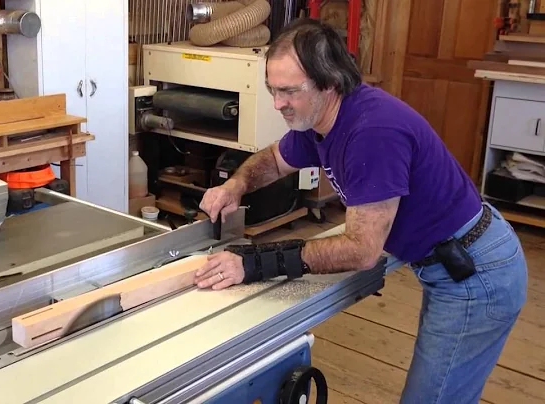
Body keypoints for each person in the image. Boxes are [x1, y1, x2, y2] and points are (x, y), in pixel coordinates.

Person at [194, 17, 528, 404]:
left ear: (329, 82)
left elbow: (362, 250)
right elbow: (275, 159)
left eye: (289, 91)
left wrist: (251, 262)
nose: (277, 104)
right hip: (449, 259)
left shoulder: (372, 133)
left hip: (476, 274)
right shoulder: (318, 119)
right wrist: (236, 184)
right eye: (272, 89)